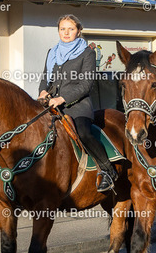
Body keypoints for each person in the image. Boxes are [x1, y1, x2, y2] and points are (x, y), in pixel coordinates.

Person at [38, 15, 118, 191]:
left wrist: (62, 98)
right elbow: (45, 78)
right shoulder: (52, 52)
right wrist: (43, 92)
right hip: (51, 105)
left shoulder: (87, 53)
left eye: (71, 29)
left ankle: (108, 170)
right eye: (62, 29)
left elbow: (86, 84)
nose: (66, 33)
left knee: (83, 133)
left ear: (79, 31)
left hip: (77, 107)